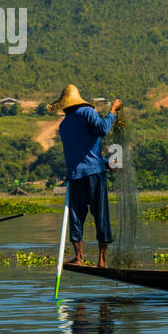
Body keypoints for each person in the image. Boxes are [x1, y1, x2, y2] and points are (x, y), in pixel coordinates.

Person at [48, 84, 121, 267]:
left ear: (65, 105)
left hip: (75, 176)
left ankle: (79, 257)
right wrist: (113, 111)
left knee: (76, 217)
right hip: (94, 174)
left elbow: (81, 152)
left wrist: (105, 163)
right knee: (100, 215)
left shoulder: (64, 125)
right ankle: (102, 260)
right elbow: (102, 130)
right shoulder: (87, 112)